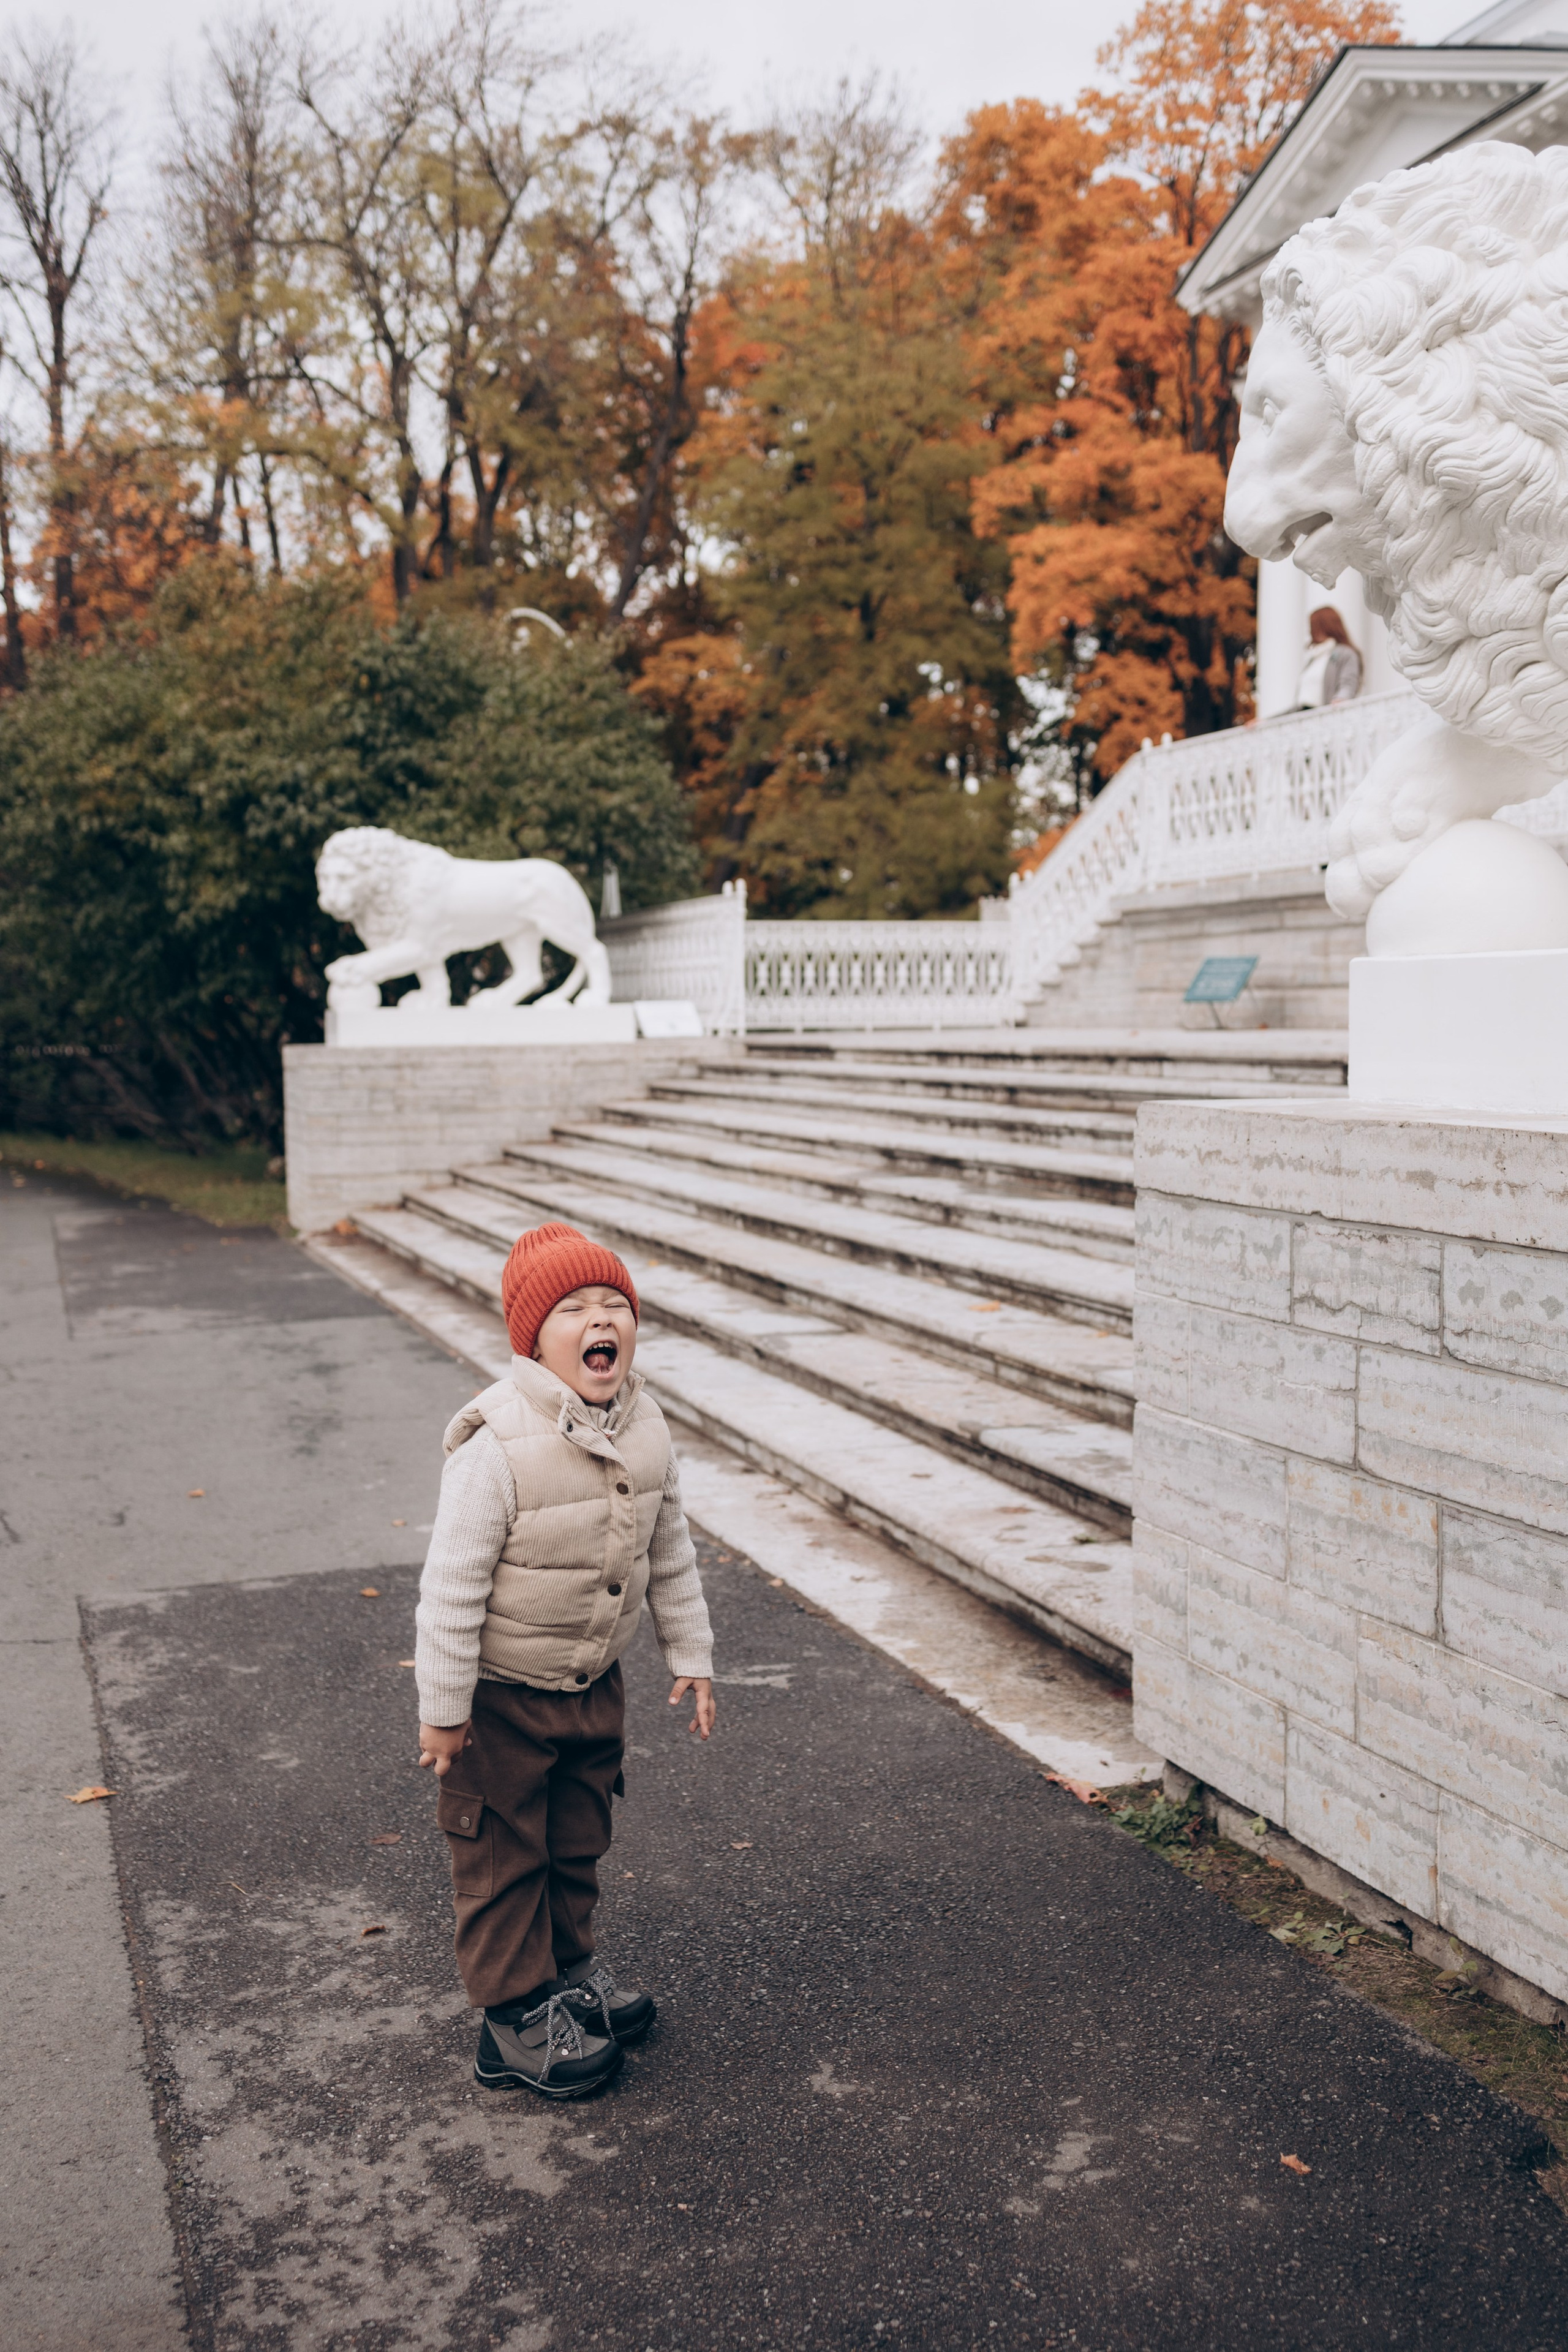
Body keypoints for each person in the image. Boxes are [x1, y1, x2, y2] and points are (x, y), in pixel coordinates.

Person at [413, 1220, 715, 2100]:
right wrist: (445, 1709)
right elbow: (453, 1588)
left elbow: (672, 1551)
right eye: (577, 1308)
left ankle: (568, 1972)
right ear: (534, 1339)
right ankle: (512, 2020)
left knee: (577, 1838)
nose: (602, 1321)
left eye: (615, 1306)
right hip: (501, 1701)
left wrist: (690, 1653)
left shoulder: (647, 1425)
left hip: (591, 1685)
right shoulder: (495, 1446)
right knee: (506, 1855)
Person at [1296, 605, 1362, 707]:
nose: (1310, 632)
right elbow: (1301, 703)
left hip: (1328, 716)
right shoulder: (1313, 660)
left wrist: (1341, 700)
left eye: (1314, 627)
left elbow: (1348, 684)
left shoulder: (1345, 654)